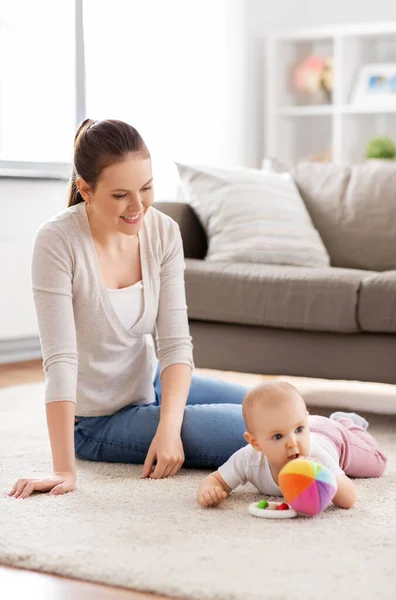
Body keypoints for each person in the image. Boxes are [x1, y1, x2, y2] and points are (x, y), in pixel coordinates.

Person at [8, 119, 249, 501]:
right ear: (85, 189)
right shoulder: (57, 241)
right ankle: (328, 441)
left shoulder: (164, 231)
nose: (138, 206)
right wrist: (62, 469)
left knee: (269, 404)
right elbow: (60, 360)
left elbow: (174, 344)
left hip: (147, 382)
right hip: (96, 420)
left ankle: (330, 433)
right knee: (252, 429)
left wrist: (168, 427)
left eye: (147, 188)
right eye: (120, 195)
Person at [197, 381, 387, 508]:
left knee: (378, 464)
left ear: (304, 421)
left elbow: (349, 499)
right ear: (255, 442)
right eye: (278, 436)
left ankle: (347, 422)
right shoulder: (248, 459)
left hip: (333, 436)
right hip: (311, 425)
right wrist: (208, 491)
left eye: (298, 430)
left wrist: (325, 476)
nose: (293, 443)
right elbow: (216, 480)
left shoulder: (316, 456)